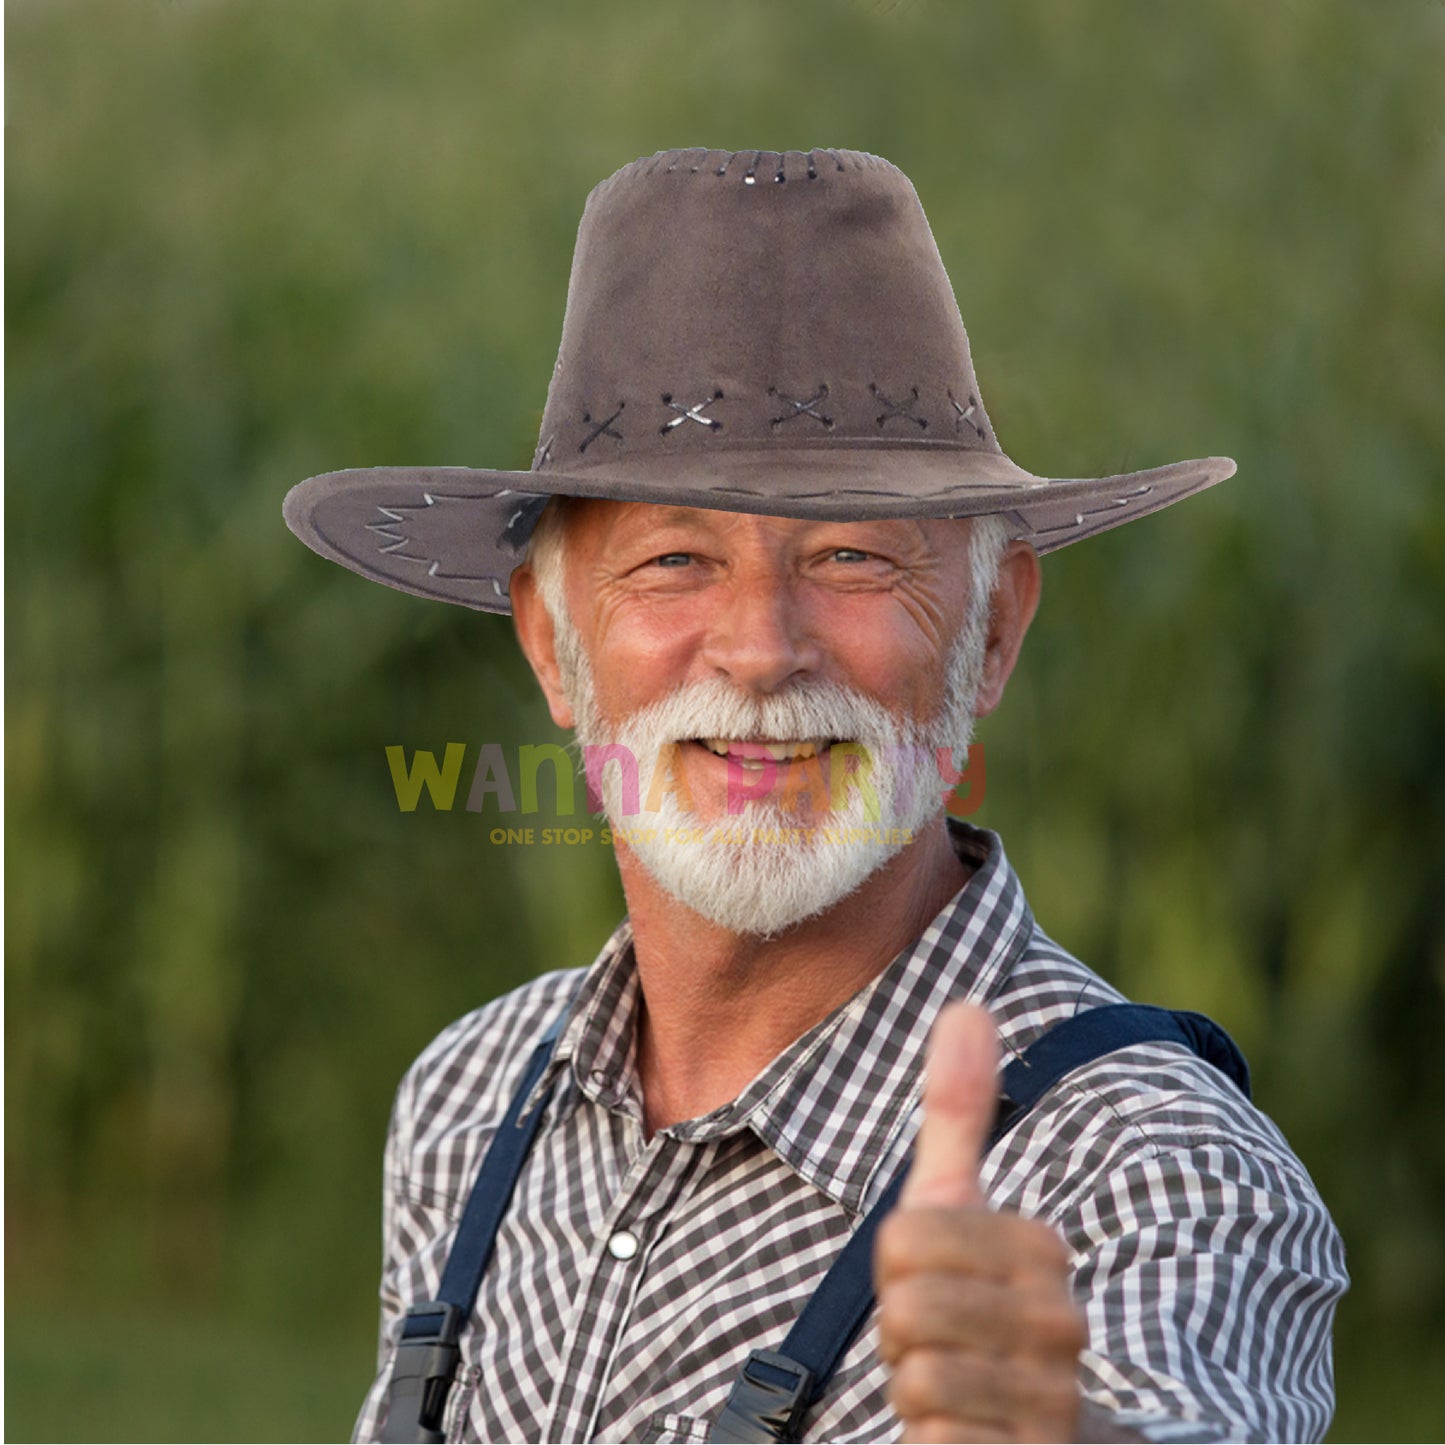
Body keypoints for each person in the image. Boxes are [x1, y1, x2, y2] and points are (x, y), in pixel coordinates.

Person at [285, 148, 1346, 1444]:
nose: (758, 649)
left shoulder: (1154, 1179)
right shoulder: (469, 1098)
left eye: (849, 556)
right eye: (672, 560)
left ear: (994, 629)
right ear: (551, 644)